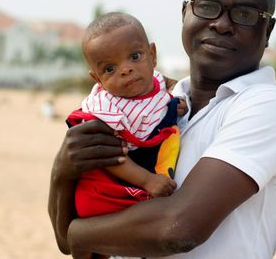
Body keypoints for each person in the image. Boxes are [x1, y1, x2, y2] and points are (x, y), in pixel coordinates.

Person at [48, 0, 276, 259]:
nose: (222, 25)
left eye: (245, 14)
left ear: (268, 31)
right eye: (207, 7)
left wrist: (78, 234)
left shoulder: (266, 106)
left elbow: (179, 228)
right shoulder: (158, 106)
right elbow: (68, 242)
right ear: (185, 13)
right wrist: (61, 173)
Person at [67, 12, 187, 218]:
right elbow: (108, 155)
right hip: (113, 177)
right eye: (110, 68)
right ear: (97, 79)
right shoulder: (106, 109)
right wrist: (147, 181)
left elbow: (157, 104)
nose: (126, 69)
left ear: (152, 55)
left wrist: (174, 106)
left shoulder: (158, 82)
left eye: (135, 57)